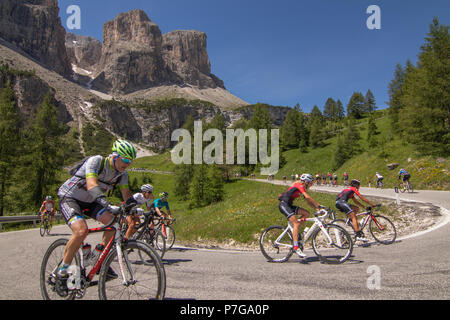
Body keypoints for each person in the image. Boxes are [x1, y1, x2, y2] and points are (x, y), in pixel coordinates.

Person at [57, 139, 136, 278]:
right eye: (125, 160)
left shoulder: (122, 175)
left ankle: (98, 259)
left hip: (91, 201)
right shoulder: (97, 161)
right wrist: (106, 203)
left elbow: (126, 194)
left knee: (114, 224)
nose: (128, 164)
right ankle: (62, 271)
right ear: (115, 156)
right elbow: (91, 184)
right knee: (82, 231)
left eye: (130, 161)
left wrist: (133, 209)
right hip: (70, 197)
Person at [278, 174, 324, 258]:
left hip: (289, 205)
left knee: (306, 213)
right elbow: (308, 197)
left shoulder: (303, 187)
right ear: (306, 182)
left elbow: (308, 201)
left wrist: (317, 210)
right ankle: (296, 247)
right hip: (283, 205)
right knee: (295, 223)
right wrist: (318, 205)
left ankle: (296, 232)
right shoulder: (299, 185)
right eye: (311, 183)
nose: (312, 184)